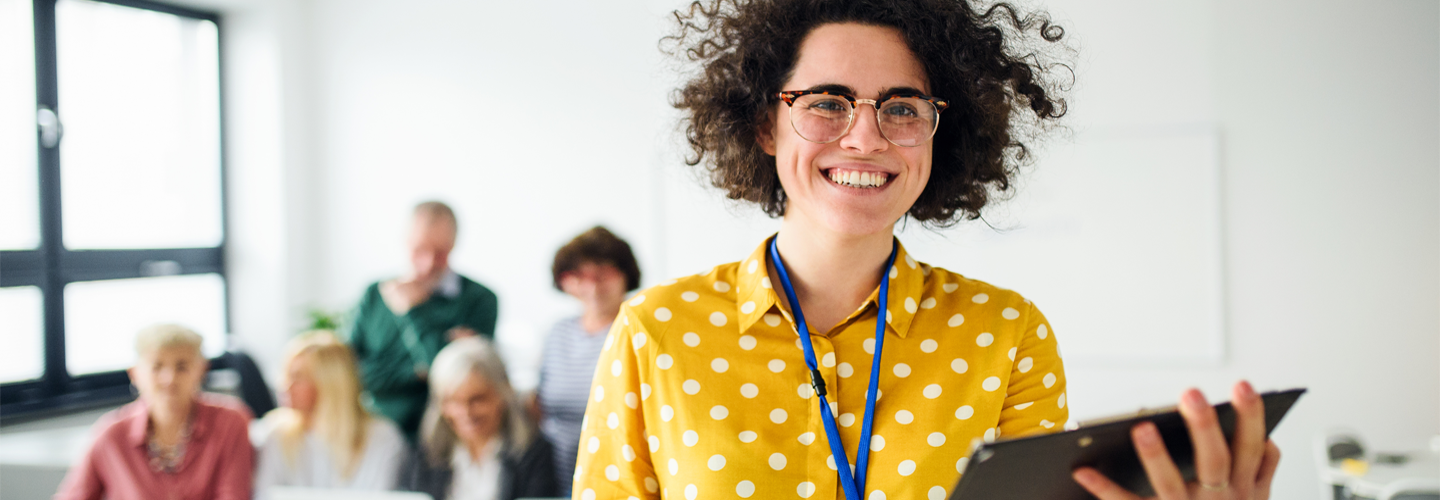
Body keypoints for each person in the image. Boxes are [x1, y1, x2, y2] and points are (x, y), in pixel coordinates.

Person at [573, 1, 1282, 500]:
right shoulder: (654, 332)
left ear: (940, 135)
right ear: (765, 124)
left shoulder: (1005, 334)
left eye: (903, 107)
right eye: (826, 101)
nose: (865, 136)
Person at [345, 200, 500, 441]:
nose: (428, 264)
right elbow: (349, 372)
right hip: (374, 431)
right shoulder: (374, 294)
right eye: (419, 250)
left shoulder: (480, 300)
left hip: (440, 437)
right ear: (404, 242)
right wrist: (418, 371)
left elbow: (457, 380)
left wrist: (413, 311)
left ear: (453, 246)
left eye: (440, 253)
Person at [54, 324, 253, 500]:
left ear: (201, 370)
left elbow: (234, 495)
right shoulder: (111, 435)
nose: (169, 379)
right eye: (156, 367)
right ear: (134, 373)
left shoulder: (230, 422)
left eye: (182, 367)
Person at [535, 226, 642, 493]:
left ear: (625, 276)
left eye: (603, 274)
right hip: (554, 473)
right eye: (580, 276)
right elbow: (539, 404)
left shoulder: (637, 329)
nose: (592, 286)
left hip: (617, 472)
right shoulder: (558, 331)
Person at [400, 336, 560, 500]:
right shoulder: (428, 454)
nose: (465, 413)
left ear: (502, 394)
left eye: (477, 399)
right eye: (452, 401)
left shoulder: (535, 454)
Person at [253, 332, 408, 499]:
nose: (284, 386)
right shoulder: (275, 435)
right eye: (286, 375)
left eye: (298, 377)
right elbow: (264, 495)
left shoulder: (383, 438)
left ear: (330, 384)